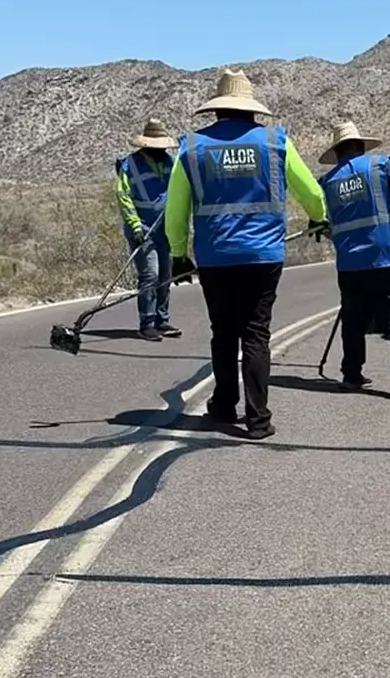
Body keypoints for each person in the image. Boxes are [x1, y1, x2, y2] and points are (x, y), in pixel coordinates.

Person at [165, 70, 327, 439]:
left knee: (223, 333)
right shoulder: (275, 142)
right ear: (253, 110)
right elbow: (312, 194)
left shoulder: (192, 147)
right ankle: (258, 420)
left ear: (217, 111)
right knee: (256, 334)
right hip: (263, 256)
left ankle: (223, 406)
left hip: (215, 256)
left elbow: (175, 209)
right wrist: (319, 219)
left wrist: (178, 253)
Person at [318, 121, 390, 400]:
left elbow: (325, 226)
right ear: (359, 146)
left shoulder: (328, 182)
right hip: (384, 258)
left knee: (354, 319)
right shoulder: (381, 165)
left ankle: (351, 375)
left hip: (349, 263)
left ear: (338, 152)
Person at [116, 119, 182, 341]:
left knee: (165, 275)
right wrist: (135, 225)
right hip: (142, 229)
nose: (160, 150)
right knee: (150, 274)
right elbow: (124, 197)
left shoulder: (170, 163)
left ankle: (162, 321)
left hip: (165, 229)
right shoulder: (130, 166)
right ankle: (147, 323)